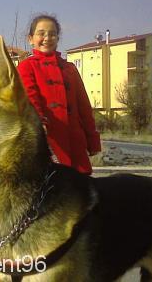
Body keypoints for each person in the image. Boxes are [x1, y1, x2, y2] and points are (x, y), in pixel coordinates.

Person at [17, 13, 101, 174]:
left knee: (81, 192)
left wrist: (92, 141)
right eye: (41, 33)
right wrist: (39, 123)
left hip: (75, 142)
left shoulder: (70, 69)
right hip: (48, 142)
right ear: (30, 38)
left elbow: (84, 108)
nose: (47, 38)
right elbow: (30, 99)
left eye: (52, 34)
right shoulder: (26, 67)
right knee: (53, 191)